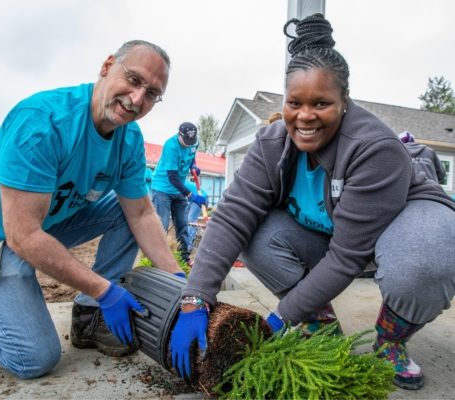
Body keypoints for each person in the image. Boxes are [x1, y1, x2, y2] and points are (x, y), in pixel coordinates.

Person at [169, 13, 455, 391]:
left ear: (345, 102)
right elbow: (233, 215)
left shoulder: (373, 149)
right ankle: (324, 334)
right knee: (255, 232)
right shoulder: (271, 143)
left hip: (399, 226)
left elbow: (346, 257)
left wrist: (279, 318)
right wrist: (196, 296)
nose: (305, 117)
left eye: (321, 103)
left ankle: (390, 342)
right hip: (333, 233)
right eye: (294, 103)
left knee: (424, 263)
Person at [0, 40, 187, 378]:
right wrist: (105, 289)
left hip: (35, 224)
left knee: (130, 210)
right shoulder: (43, 124)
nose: (138, 99)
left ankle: (89, 317)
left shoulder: (129, 140)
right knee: (34, 358)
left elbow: (139, 214)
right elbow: (22, 236)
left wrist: (181, 285)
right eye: (134, 80)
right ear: (107, 66)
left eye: (152, 93)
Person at [151, 123, 207, 263]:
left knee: (183, 224)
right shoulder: (171, 146)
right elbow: (173, 177)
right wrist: (191, 195)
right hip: (162, 188)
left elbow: (192, 156)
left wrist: (193, 165)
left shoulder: (194, 142)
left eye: (191, 142)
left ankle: (183, 258)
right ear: (179, 135)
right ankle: (156, 260)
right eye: (186, 142)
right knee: (161, 225)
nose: (188, 145)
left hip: (178, 189)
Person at [184, 180, 209, 253]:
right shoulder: (177, 181)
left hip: (201, 198)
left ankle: (189, 247)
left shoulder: (179, 183)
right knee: (184, 219)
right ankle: (185, 243)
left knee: (191, 220)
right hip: (192, 199)